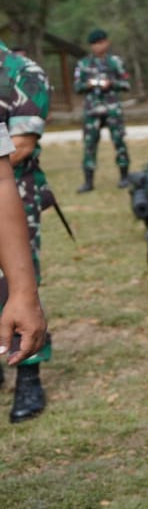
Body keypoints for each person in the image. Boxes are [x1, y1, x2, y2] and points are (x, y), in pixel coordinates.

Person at [0, 40, 52, 421]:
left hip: (16, 194)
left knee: (15, 283)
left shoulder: (23, 72)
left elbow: (21, 145)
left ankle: (28, 372)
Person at [72, 28, 131, 192]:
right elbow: (77, 86)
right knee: (90, 145)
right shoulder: (83, 64)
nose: (98, 46)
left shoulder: (115, 62)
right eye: (94, 44)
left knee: (119, 142)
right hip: (92, 110)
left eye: (101, 42)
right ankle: (88, 181)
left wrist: (111, 83)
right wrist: (89, 85)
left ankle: (125, 177)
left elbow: (126, 84)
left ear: (107, 42)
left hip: (112, 109)